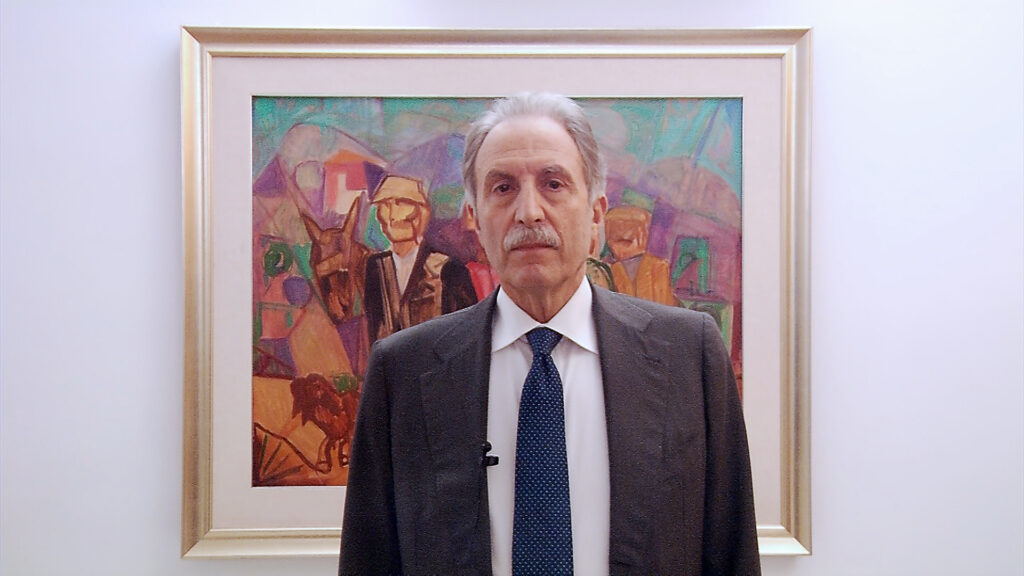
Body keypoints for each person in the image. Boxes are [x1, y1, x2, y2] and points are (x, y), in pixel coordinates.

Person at [339, 93, 760, 575]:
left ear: (596, 213)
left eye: (553, 184)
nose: (529, 212)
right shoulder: (403, 372)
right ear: (474, 217)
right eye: (502, 188)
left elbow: (731, 552)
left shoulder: (688, 355)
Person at [604, 204, 677, 306]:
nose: (623, 232)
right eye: (616, 228)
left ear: (644, 233)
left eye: (630, 227)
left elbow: (665, 306)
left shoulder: (659, 267)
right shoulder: (607, 270)